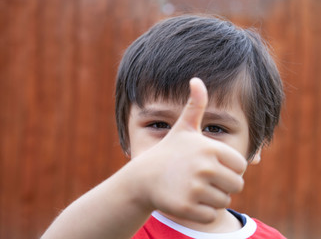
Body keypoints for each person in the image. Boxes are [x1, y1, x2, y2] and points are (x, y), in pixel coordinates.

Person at [42, 15, 285, 239]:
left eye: (214, 128)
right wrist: (136, 188)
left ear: (256, 146)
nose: (184, 146)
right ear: (126, 137)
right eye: (159, 124)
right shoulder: (114, 228)